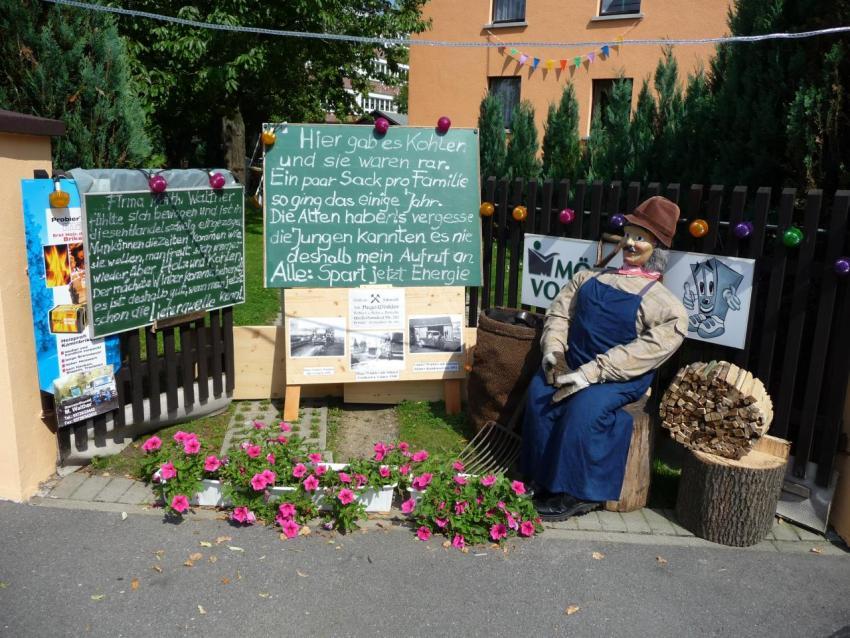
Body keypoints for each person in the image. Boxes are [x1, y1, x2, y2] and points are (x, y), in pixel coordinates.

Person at [521, 196, 688, 522]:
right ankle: (537, 480)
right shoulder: (589, 278)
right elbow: (559, 315)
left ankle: (577, 493)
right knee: (541, 394)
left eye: (641, 237)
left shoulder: (663, 304)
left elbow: (648, 350)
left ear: (657, 249)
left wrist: (590, 375)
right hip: (574, 360)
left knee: (585, 409)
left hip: (617, 377)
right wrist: (555, 354)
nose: (630, 242)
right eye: (628, 233)